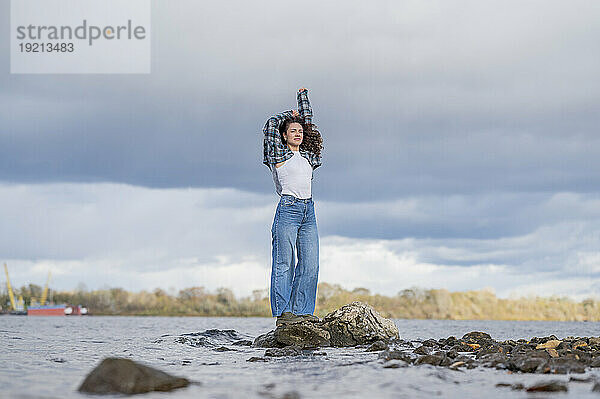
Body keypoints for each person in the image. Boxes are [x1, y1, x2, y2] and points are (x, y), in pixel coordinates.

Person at [262, 87, 323, 326]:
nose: (297, 133)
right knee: (284, 262)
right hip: (288, 209)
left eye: (299, 131)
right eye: (292, 131)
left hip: (309, 211)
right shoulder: (278, 154)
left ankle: (303, 312)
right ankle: (283, 314)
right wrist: (290, 113)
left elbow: (307, 123)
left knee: (310, 263)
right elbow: (269, 126)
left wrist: (303, 97)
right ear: (284, 136)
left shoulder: (308, 156)